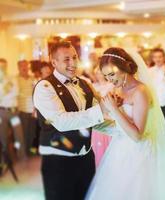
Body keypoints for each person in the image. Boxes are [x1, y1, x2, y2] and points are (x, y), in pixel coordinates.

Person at [86, 47, 165, 200]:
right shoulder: (118, 90)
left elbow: (137, 135)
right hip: (119, 149)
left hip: (139, 153)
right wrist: (98, 123)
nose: (109, 80)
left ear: (124, 68)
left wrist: (114, 109)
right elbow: (119, 127)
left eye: (112, 74)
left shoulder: (141, 91)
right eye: (106, 76)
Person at [33, 42, 105, 200]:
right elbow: (61, 122)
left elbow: (97, 120)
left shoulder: (85, 83)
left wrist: (123, 130)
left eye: (74, 57)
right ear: (54, 62)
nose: (73, 63)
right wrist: (103, 110)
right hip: (58, 160)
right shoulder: (44, 87)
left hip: (86, 156)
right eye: (66, 59)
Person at [0, 58, 26, 174]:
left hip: (14, 112)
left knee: (18, 134)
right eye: (1, 66)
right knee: (3, 137)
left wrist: (5, 91)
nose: (3, 68)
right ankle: (6, 160)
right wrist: (5, 90)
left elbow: (16, 92)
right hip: (2, 112)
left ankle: (21, 157)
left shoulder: (12, 78)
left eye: (4, 66)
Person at [17, 60, 37, 156]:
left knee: (32, 132)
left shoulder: (32, 79)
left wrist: (35, 108)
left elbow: (35, 94)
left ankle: (29, 151)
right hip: (22, 110)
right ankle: (23, 153)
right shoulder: (16, 79)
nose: (24, 68)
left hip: (33, 110)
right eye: (22, 66)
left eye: (26, 66)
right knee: (23, 133)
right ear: (19, 68)